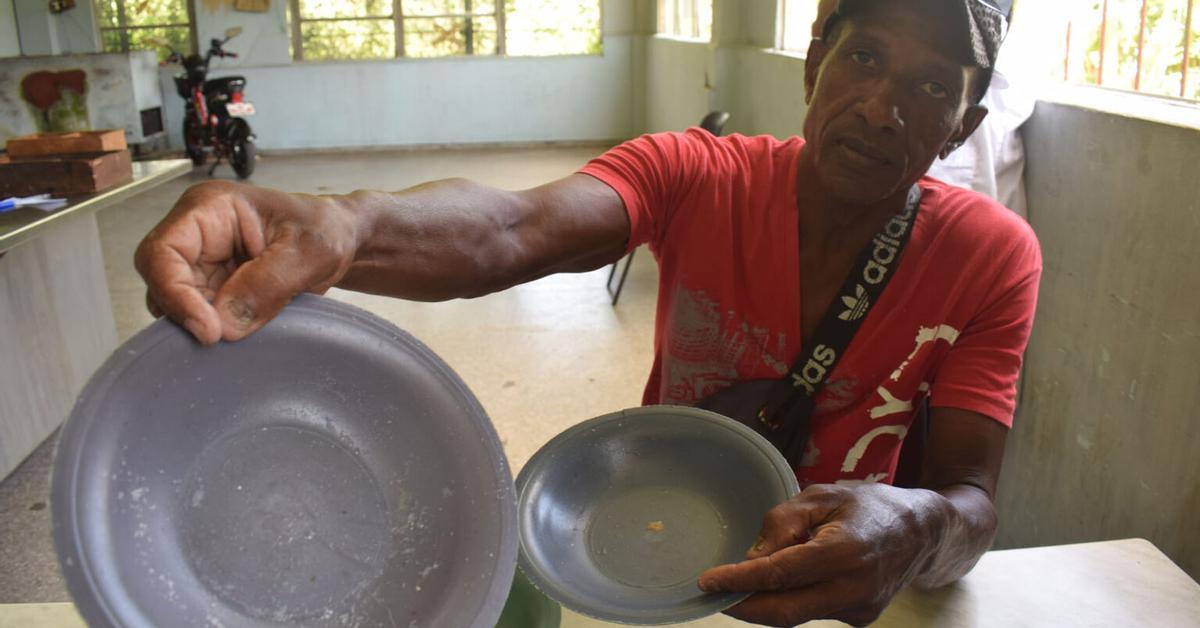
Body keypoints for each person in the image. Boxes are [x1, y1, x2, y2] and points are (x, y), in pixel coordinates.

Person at [135, 0, 1039, 625]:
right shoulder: (698, 175)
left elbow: (970, 500)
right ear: (814, 66)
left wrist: (917, 528)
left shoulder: (991, 256)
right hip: (650, 558)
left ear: (964, 127)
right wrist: (342, 225)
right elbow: (510, 230)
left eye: (932, 87)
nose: (881, 109)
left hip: (842, 594)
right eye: (865, 58)